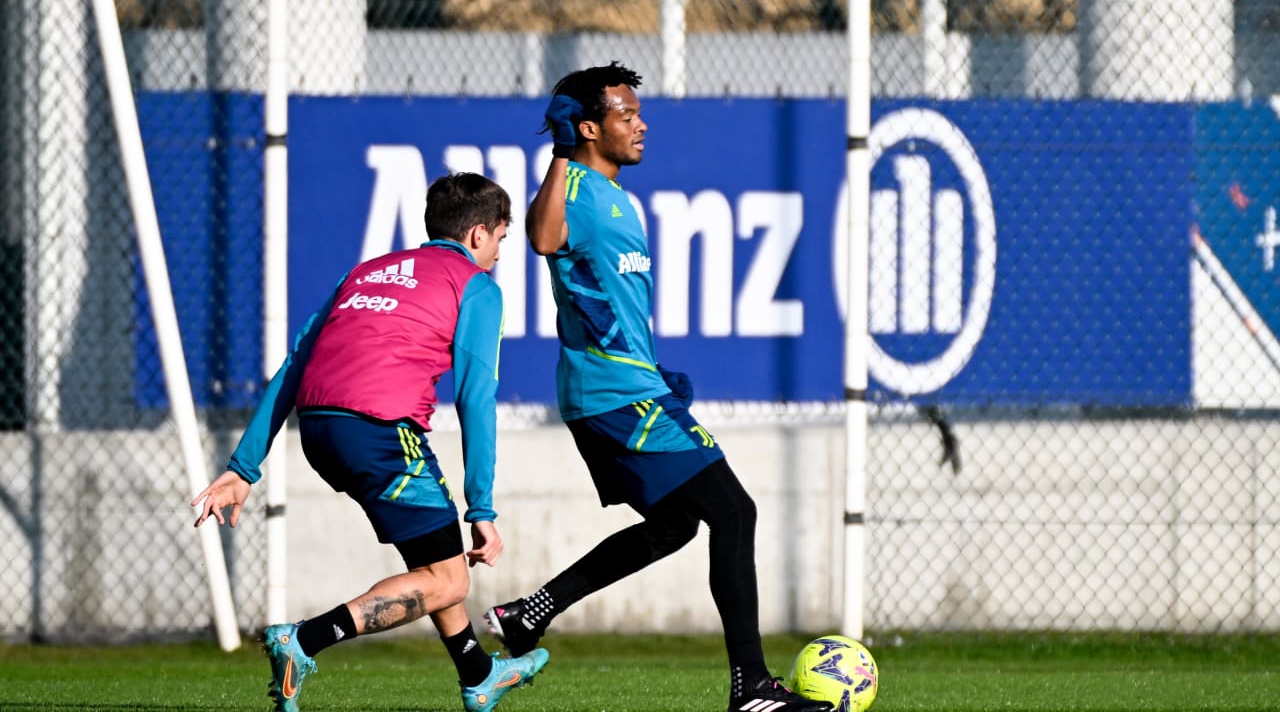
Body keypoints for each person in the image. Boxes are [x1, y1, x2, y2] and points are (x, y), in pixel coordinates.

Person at [483, 62, 832, 712]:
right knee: (734, 512)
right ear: (587, 127)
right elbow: (541, 237)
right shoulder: (578, 185)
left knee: (675, 525)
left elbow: (608, 302)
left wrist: (653, 366)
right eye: (625, 114)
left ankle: (532, 612)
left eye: (638, 112)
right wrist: (560, 154)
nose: (640, 125)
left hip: (628, 384)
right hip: (615, 392)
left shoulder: (617, 196)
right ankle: (751, 688)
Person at [191, 172, 549, 712]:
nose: (500, 252)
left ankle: (479, 675)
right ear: (478, 235)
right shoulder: (476, 286)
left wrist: (244, 467)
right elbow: (477, 397)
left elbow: (295, 364)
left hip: (320, 427)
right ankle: (303, 640)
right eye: (501, 239)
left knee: (433, 561)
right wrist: (482, 506)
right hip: (382, 431)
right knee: (450, 581)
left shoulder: (366, 272)